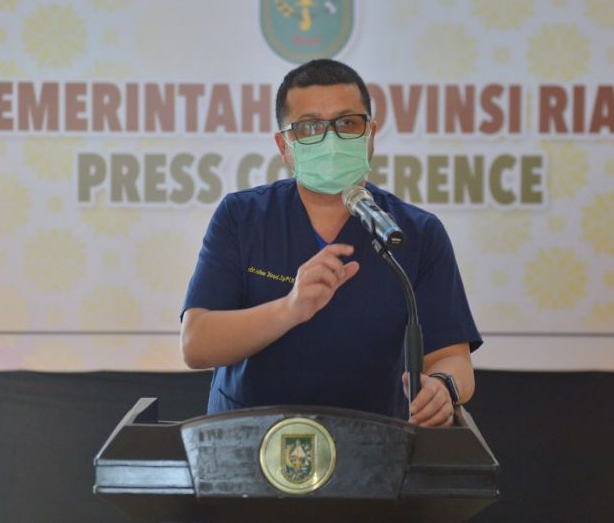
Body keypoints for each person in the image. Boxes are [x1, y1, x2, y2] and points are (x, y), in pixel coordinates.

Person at [180, 59, 481, 426]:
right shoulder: (242, 217)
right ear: (284, 145)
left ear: (371, 134)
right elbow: (196, 345)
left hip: (374, 441)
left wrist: (443, 386)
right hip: (248, 439)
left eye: (347, 123)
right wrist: (290, 308)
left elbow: (453, 357)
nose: (331, 140)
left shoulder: (415, 233)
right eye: (310, 127)